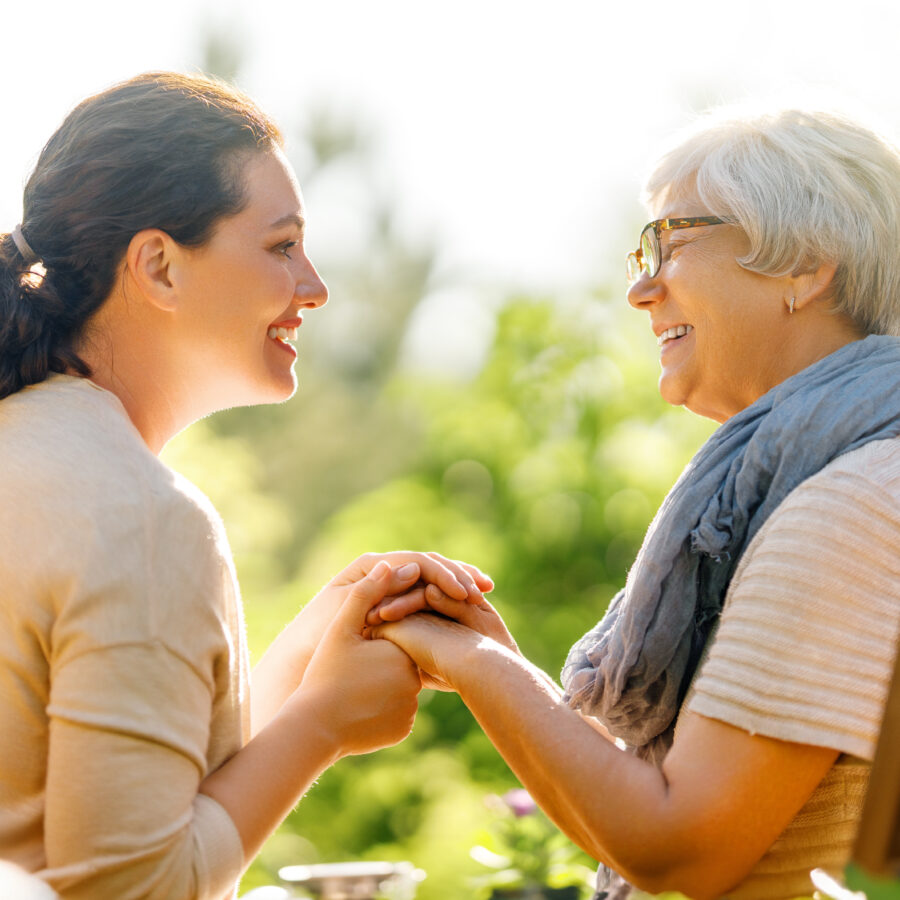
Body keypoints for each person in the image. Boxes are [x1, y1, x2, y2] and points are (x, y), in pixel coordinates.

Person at [369, 106, 900, 900]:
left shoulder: (851, 507)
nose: (639, 288)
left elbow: (680, 851)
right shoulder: (836, 478)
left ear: (805, 265)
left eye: (673, 242)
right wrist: (500, 659)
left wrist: (468, 663)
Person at [0, 72, 492, 900]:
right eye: (280, 246)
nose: (315, 286)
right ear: (158, 265)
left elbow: (102, 809)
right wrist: (321, 724)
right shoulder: (143, 519)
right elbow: (130, 890)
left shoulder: (40, 455)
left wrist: (300, 666)